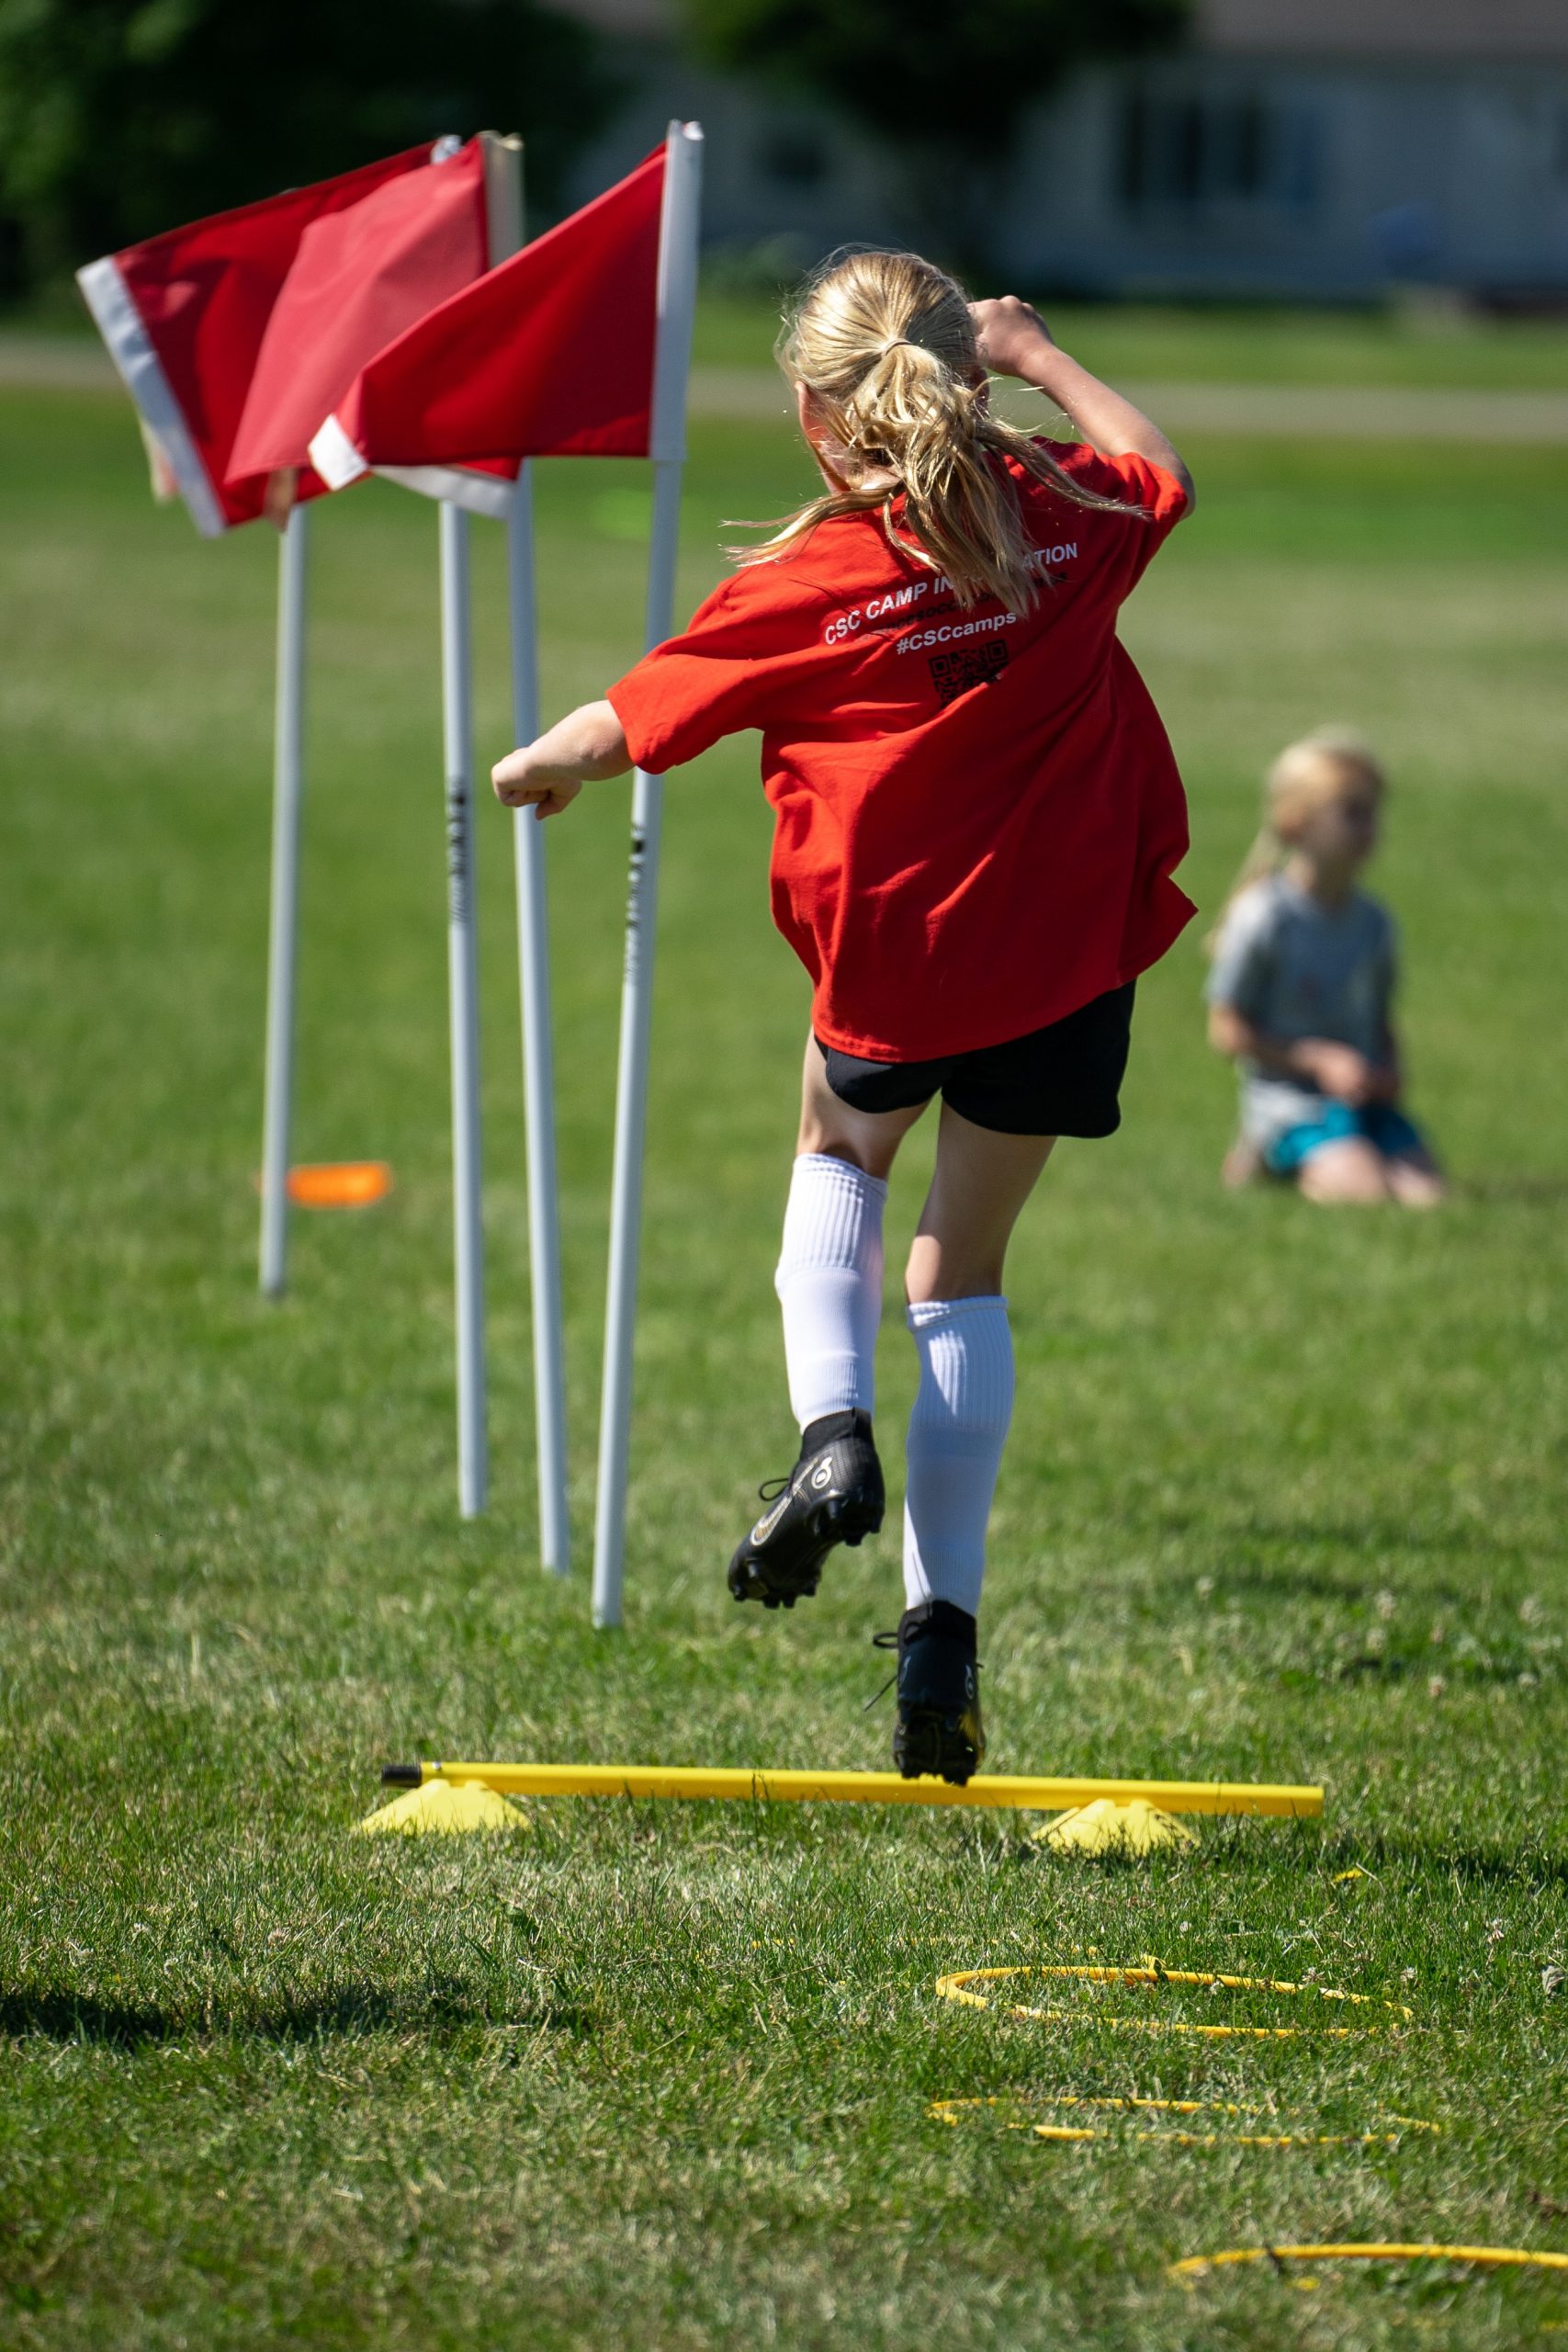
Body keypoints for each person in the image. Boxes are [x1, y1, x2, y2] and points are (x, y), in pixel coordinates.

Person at [492, 251, 1195, 1782]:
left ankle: (831, 1435)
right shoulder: (1064, 516)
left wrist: (539, 761)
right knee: (963, 1269)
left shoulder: (803, 582)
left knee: (838, 1155)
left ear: (818, 419)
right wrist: (1043, 350)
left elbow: (635, 716)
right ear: (967, 377)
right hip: (1067, 958)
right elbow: (1161, 467)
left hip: (899, 964)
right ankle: (938, 1629)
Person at [1205, 729, 1444, 1207]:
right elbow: (1227, 1031)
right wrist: (1318, 1060)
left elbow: (1380, 1016)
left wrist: (1390, 1069)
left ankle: (1345, 1151)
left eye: (1373, 811)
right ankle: (1265, 1153)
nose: (1369, 828)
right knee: (1365, 1197)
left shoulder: (1374, 923)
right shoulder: (1264, 918)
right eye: (1352, 813)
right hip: (1290, 1103)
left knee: (1429, 1200)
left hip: (1363, 1101)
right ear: (1296, 824)